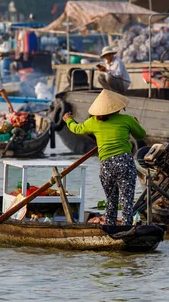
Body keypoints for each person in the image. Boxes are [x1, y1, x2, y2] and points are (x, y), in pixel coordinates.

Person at [62, 90, 146, 226]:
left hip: (107, 165)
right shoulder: (127, 119)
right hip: (124, 162)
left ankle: (111, 228)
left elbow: (76, 129)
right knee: (127, 201)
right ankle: (127, 229)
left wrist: (68, 119)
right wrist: (135, 123)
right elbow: (141, 135)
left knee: (111, 201)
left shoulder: (94, 122)